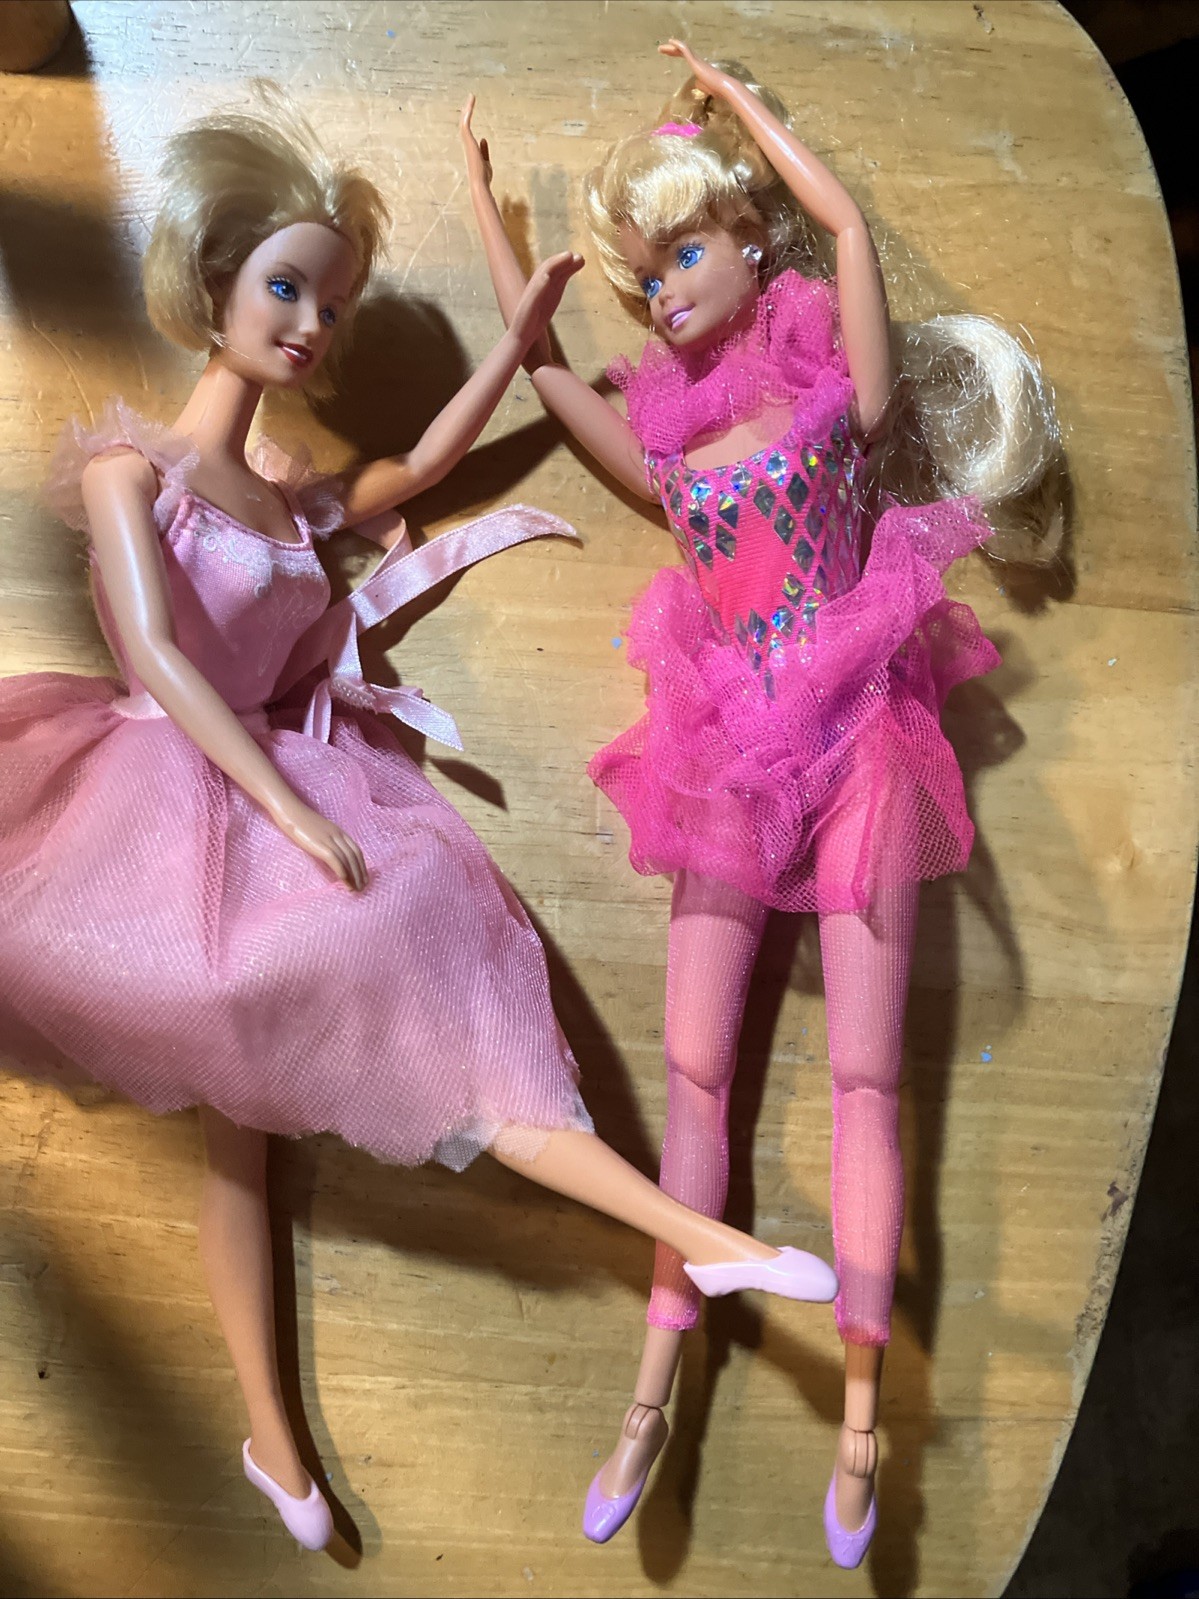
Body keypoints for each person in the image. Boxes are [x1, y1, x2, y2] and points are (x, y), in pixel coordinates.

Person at [0, 89, 837, 1552]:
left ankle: (693, 1243)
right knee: (259, 1116)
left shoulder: (287, 502)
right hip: (156, 817)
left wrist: (520, 344)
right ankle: (304, 1426)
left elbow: (426, 470)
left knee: (365, 1067)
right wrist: (287, 808)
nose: (312, 326)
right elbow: (163, 665)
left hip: (273, 798)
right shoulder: (134, 477)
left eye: (331, 303)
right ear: (215, 281)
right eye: (287, 289)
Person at [463, 38, 1056, 1564]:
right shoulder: (668, 447)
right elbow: (548, 375)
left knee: (868, 1078)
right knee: (693, 1068)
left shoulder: (830, 393)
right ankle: (651, 1388)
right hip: (724, 744)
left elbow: (847, 232)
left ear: (746, 240)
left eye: (686, 252)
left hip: (858, 737)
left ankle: (859, 1419)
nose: (662, 289)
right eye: (642, 269)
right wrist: (495, 244)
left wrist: (740, 112)